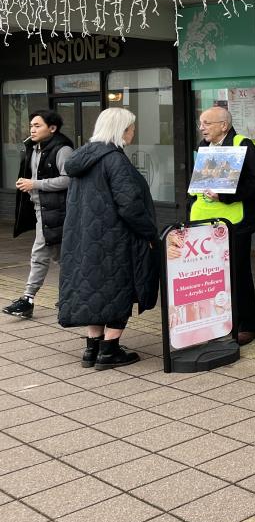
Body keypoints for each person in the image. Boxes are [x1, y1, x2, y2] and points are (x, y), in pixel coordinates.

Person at [58, 108, 159, 369]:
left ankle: (92, 348)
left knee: (97, 290)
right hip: (116, 239)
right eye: (131, 128)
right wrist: (149, 233)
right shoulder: (115, 159)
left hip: (85, 239)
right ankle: (110, 350)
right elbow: (129, 205)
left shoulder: (84, 158)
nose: (133, 132)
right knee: (119, 289)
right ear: (121, 129)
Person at [189, 107, 255, 345]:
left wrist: (225, 196)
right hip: (206, 220)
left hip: (235, 222)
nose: (202, 128)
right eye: (201, 123)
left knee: (238, 274)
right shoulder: (203, 146)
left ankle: (246, 325)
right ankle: (217, 321)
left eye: (207, 123)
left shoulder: (244, 144)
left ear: (224, 125)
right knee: (213, 275)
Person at [5, 110, 74, 319]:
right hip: (40, 209)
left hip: (56, 211)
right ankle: (70, 297)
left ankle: (28, 299)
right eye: (31, 126)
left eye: (37, 125)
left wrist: (34, 184)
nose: (32, 129)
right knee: (61, 257)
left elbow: (69, 179)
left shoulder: (63, 149)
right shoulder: (33, 147)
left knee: (40, 254)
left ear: (52, 128)